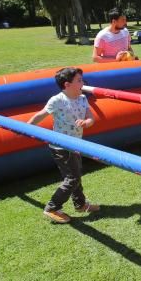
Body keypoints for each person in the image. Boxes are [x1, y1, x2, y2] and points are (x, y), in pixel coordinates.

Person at [27, 67, 100, 224]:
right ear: (67, 85)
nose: (83, 82)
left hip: (76, 144)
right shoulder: (57, 100)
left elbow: (91, 118)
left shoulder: (82, 99)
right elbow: (40, 115)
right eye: (79, 80)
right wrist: (26, 128)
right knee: (72, 178)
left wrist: (86, 123)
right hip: (61, 147)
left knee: (76, 175)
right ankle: (52, 207)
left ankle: (80, 204)